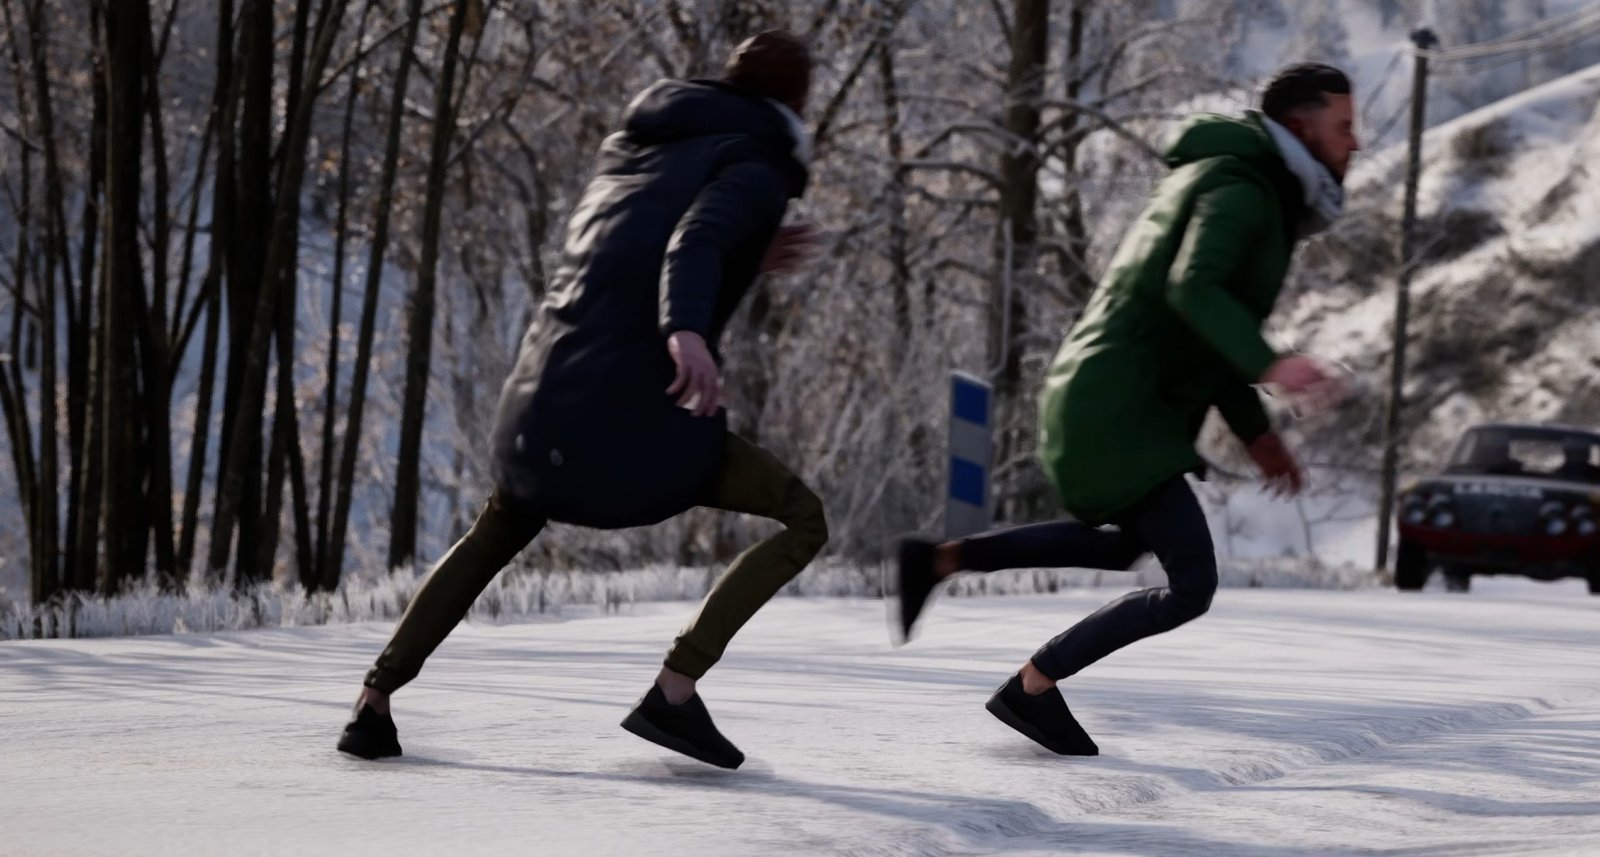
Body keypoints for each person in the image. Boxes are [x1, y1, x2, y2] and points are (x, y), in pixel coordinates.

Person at [337, 31, 826, 770]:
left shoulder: (638, 146)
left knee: (497, 528)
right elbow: (690, 244)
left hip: (544, 394)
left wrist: (750, 257)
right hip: (631, 417)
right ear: (795, 102)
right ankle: (676, 688)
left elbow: (634, 247)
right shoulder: (757, 162)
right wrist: (688, 329)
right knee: (803, 515)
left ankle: (374, 701)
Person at [892, 63, 1359, 756]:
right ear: (1298, 127)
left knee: (1125, 543)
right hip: (1119, 404)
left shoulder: (1239, 181)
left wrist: (1259, 434)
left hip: (1110, 396)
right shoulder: (1242, 189)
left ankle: (942, 562)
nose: (1356, 144)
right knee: (1191, 582)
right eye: (1344, 127)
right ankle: (1031, 685)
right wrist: (1270, 364)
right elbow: (1194, 290)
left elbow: (1205, 334)